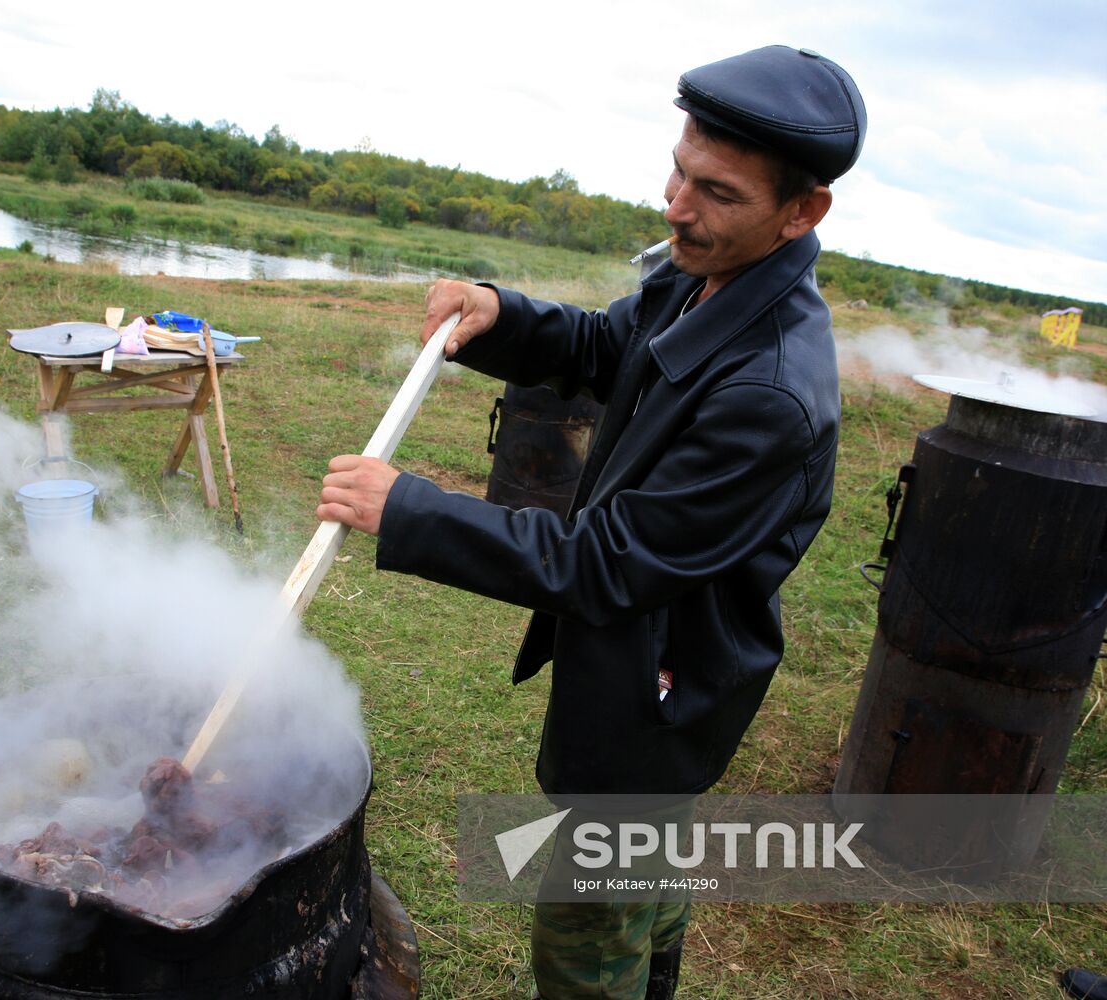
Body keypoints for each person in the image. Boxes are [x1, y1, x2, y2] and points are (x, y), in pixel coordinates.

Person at [316, 45, 866, 999]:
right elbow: (613, 346)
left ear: (802, 211)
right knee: (645, 897)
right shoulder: (706, 276)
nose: (676, 207)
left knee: (589, 930)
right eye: (679, 173)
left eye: (716, 193)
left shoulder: (771, 394)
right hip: (641, 674)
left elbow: (608, 564)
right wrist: (502, 314)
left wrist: (411, 508)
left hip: (662, 693)